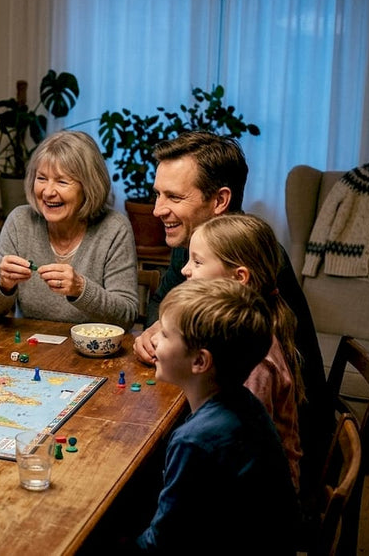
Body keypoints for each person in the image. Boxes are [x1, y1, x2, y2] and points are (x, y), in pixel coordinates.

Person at [130, 130, 330, 497]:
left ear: (220, 199)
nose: (157, 209)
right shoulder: (193, 244)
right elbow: (164, 301)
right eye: (158, 193)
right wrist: (155, 328)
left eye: (173, 196)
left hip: (272, 468)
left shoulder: (250, 257)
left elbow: (258, 418)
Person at [132, 279, 300, 555]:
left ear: (200, 362)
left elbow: (163, 543)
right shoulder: (245, 402)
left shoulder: (195, 440)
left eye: (164, 335)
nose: (153, 340)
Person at [181, 213, 304, 491]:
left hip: (260, 503)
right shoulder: (241, 334)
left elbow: (242, 448)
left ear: (239, 279)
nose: (185, 270)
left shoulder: (254, 362)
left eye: (198, 262)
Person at [0, 130, 138, 328]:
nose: (48, 192)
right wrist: (3, 285)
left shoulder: (114, 228)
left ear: (88, 186)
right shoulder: (20, 221)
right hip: (29, 349)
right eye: (41, 178)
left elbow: (127, 315)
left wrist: (81, 289)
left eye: (61, 181)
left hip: (93, 354)